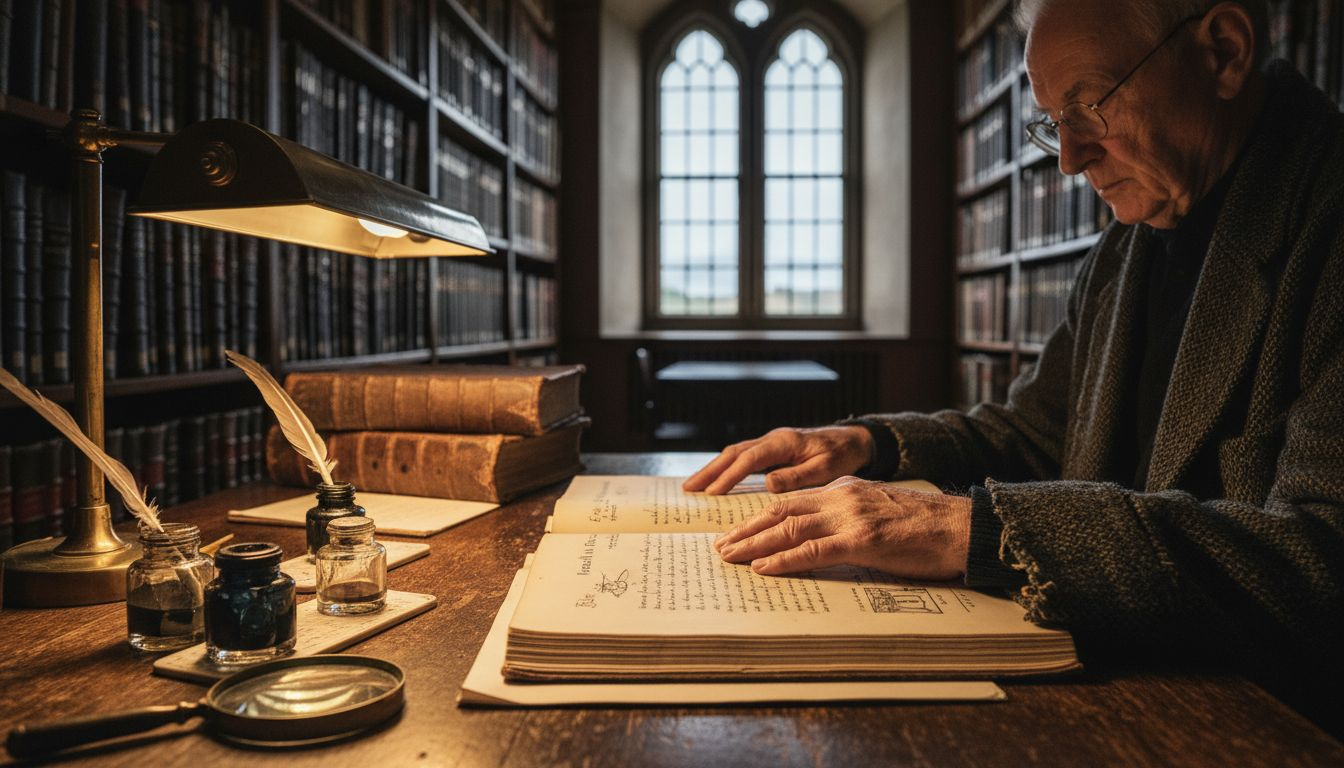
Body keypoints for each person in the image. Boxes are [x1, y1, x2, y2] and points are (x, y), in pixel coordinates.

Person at [688, 0, 1344, 732]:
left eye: (1090, 105)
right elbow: (1037, 433)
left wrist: (983, 529)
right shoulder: (1129, 244)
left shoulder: (1324, 219)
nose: (1069, 158)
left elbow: (1321, 564)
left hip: (1269, 724)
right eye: (1052, 124)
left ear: (1222, 51)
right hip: (1117, 687)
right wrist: (869, 443)